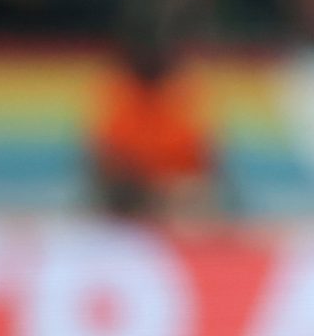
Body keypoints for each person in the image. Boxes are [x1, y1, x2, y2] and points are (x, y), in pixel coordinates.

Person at [89, 13, 220, 222]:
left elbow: (204, 156)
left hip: (179, 192)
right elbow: (105, 158)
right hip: (131, 196)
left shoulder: (183, 91)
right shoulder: (118, 92)